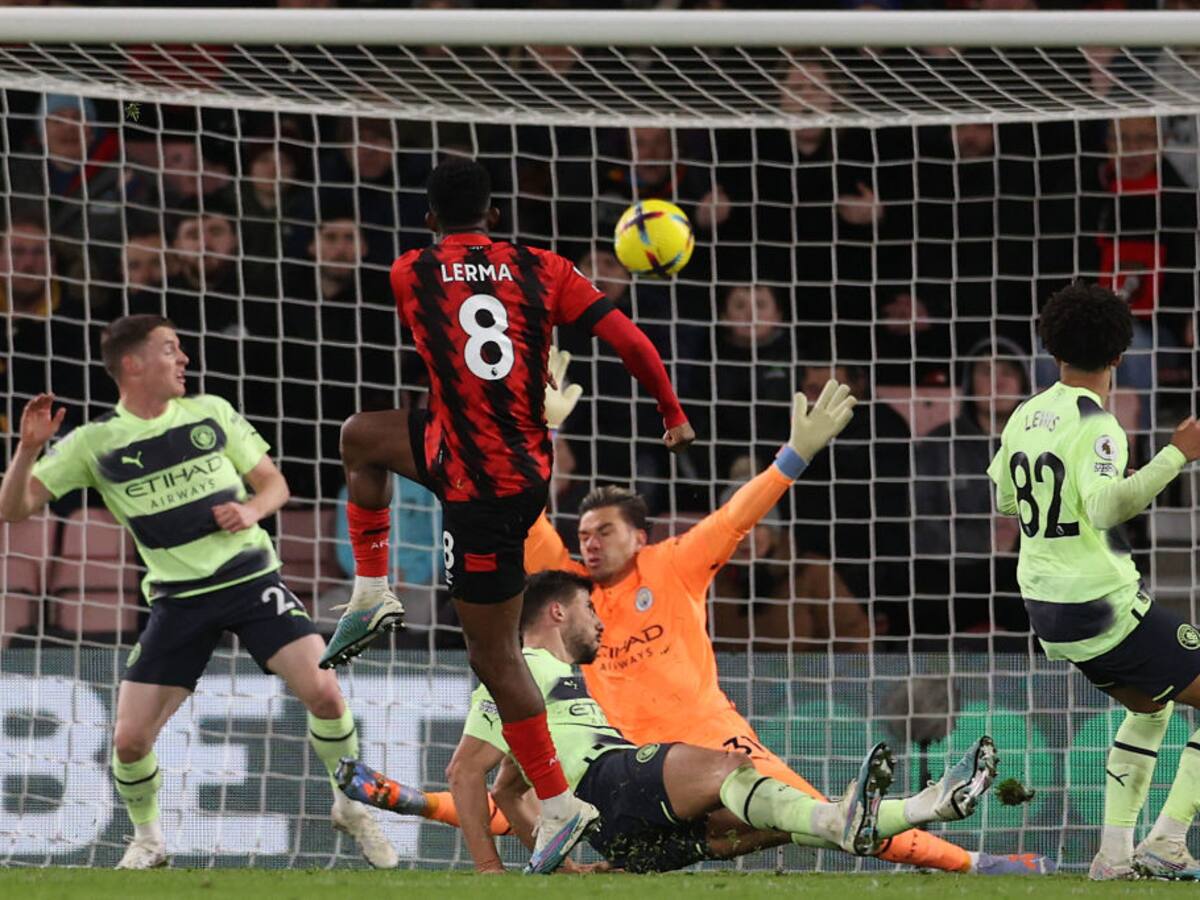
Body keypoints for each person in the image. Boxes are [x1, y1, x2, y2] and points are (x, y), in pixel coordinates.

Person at [363, 373, 1053, 876]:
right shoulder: (567, 588)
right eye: (585, 534)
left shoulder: (674, 564)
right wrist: (542, 431)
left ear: (640, 536)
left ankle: (971, 862)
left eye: (605, 532)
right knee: (546, 802)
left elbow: (737, 515)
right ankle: (412, 801)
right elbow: (520, 503)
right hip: (628, 760)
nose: (590, 543)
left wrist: (794, 456)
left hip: (711, 738)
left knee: (816, 816)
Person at [321, 157, 694, 873]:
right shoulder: (544, 267)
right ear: (494, 216)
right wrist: (671, 414)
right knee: (360, 437)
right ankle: (371, 592)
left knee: (494, 656)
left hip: (484, 485)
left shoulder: (409, 270)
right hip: (490, 458)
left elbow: (452, 340)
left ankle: (558, 802)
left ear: (429, 220)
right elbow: (630, 342)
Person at [0, 314, 395, 871]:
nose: (183, 359)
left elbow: (274, 484)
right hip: (178, 599)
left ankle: (351, 805)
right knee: (129, 741)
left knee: (326, 694)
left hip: (251, 581)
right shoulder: (94, 443)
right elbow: (13, 508)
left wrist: (251, 511)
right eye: (170, 349)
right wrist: (27, 451)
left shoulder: (211, 412)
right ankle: (149, 840)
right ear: (133, 364)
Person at [336, 569, 999, 874]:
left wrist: (564, 868)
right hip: (606, 786)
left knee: (774, 823)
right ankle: (871, 815)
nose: (601, 623)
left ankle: (925, 806)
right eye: (590, 610)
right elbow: (466, 771)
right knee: (732, 768)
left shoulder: (549, 686)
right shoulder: (521, 667)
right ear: (558, 613)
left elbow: (509, 789)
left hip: (623, 837)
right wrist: (489, 873)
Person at [986, 282, 1200, 881]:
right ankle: (1167, 841)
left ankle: (1113, 856)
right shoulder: (1098, 423)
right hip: (1097, 604)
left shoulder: (1026, 413)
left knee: (1152, 707)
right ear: (1119, 356)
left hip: (1045, 607)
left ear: (1054, 351)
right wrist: (1177, 455)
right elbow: (1107, 507)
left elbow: (1005, 498)